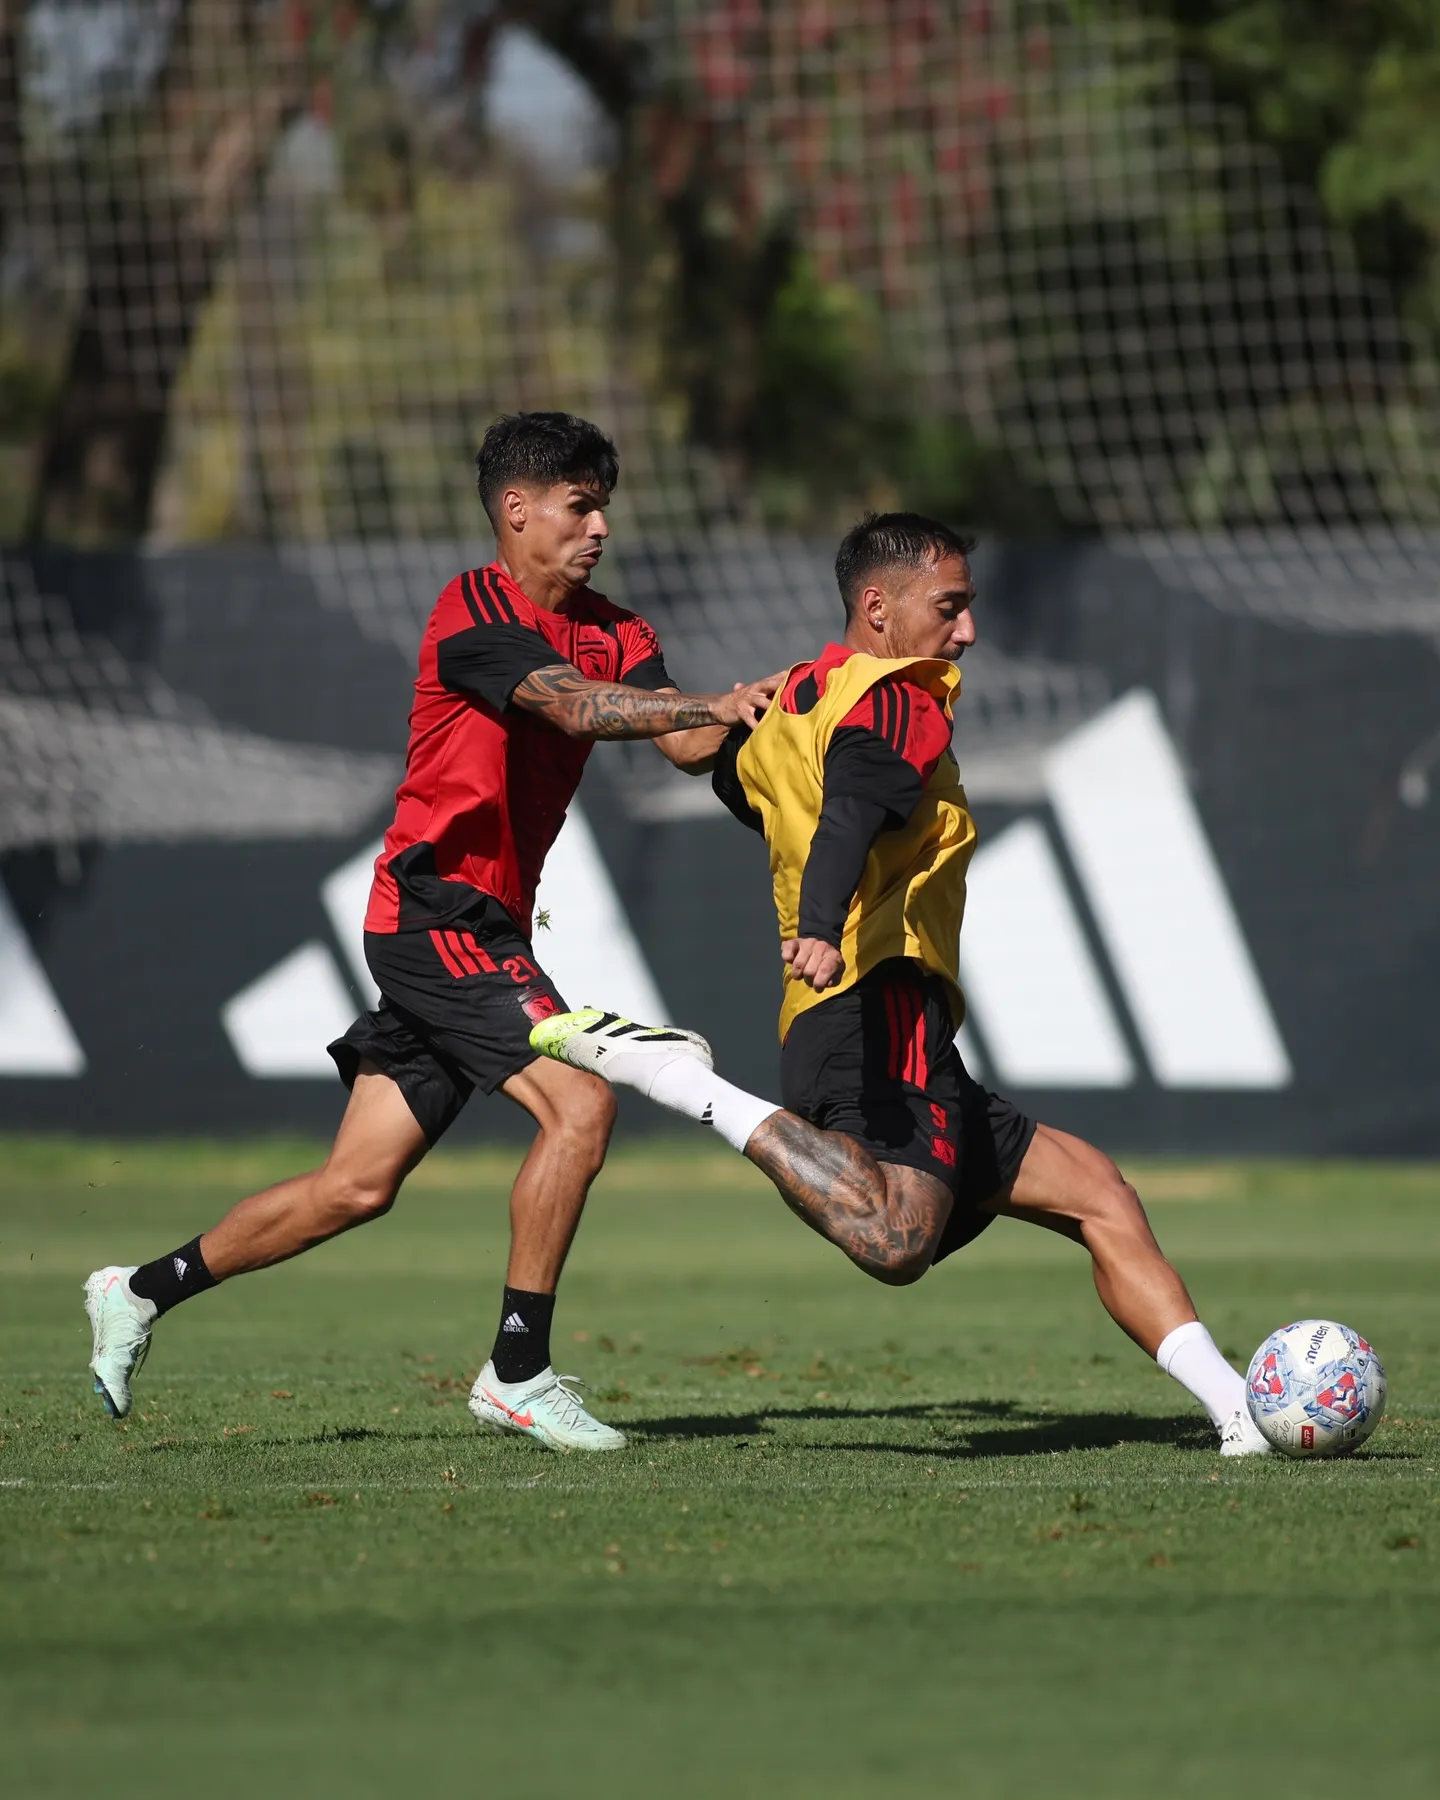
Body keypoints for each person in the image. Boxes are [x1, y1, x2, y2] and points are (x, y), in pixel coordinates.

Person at [84, 411, 776, 1452]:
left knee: (355, 1186)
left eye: (603, 508)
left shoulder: (618, 628)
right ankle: (518, 1370)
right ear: (516, 510)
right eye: (579, 506)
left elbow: (678, 741)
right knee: (581, 1107)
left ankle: (138, 1290)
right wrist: (708, 701)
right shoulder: (473, 612)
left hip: (484, 927)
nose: (598, 528)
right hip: (432, 912)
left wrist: (764, 723)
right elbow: (579, 710)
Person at [529, 511, 1271, 1456]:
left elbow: (755, 791)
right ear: (877, 608)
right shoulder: (901, 693)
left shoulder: (796, 697)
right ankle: (689, 1084)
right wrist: (822, 924)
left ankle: (1239, 1412)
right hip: (876, 1006)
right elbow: (850, 811)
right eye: (949, 608)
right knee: (895, 1244)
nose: (965, 633)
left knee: (1098, 1193)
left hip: (869, 1017)